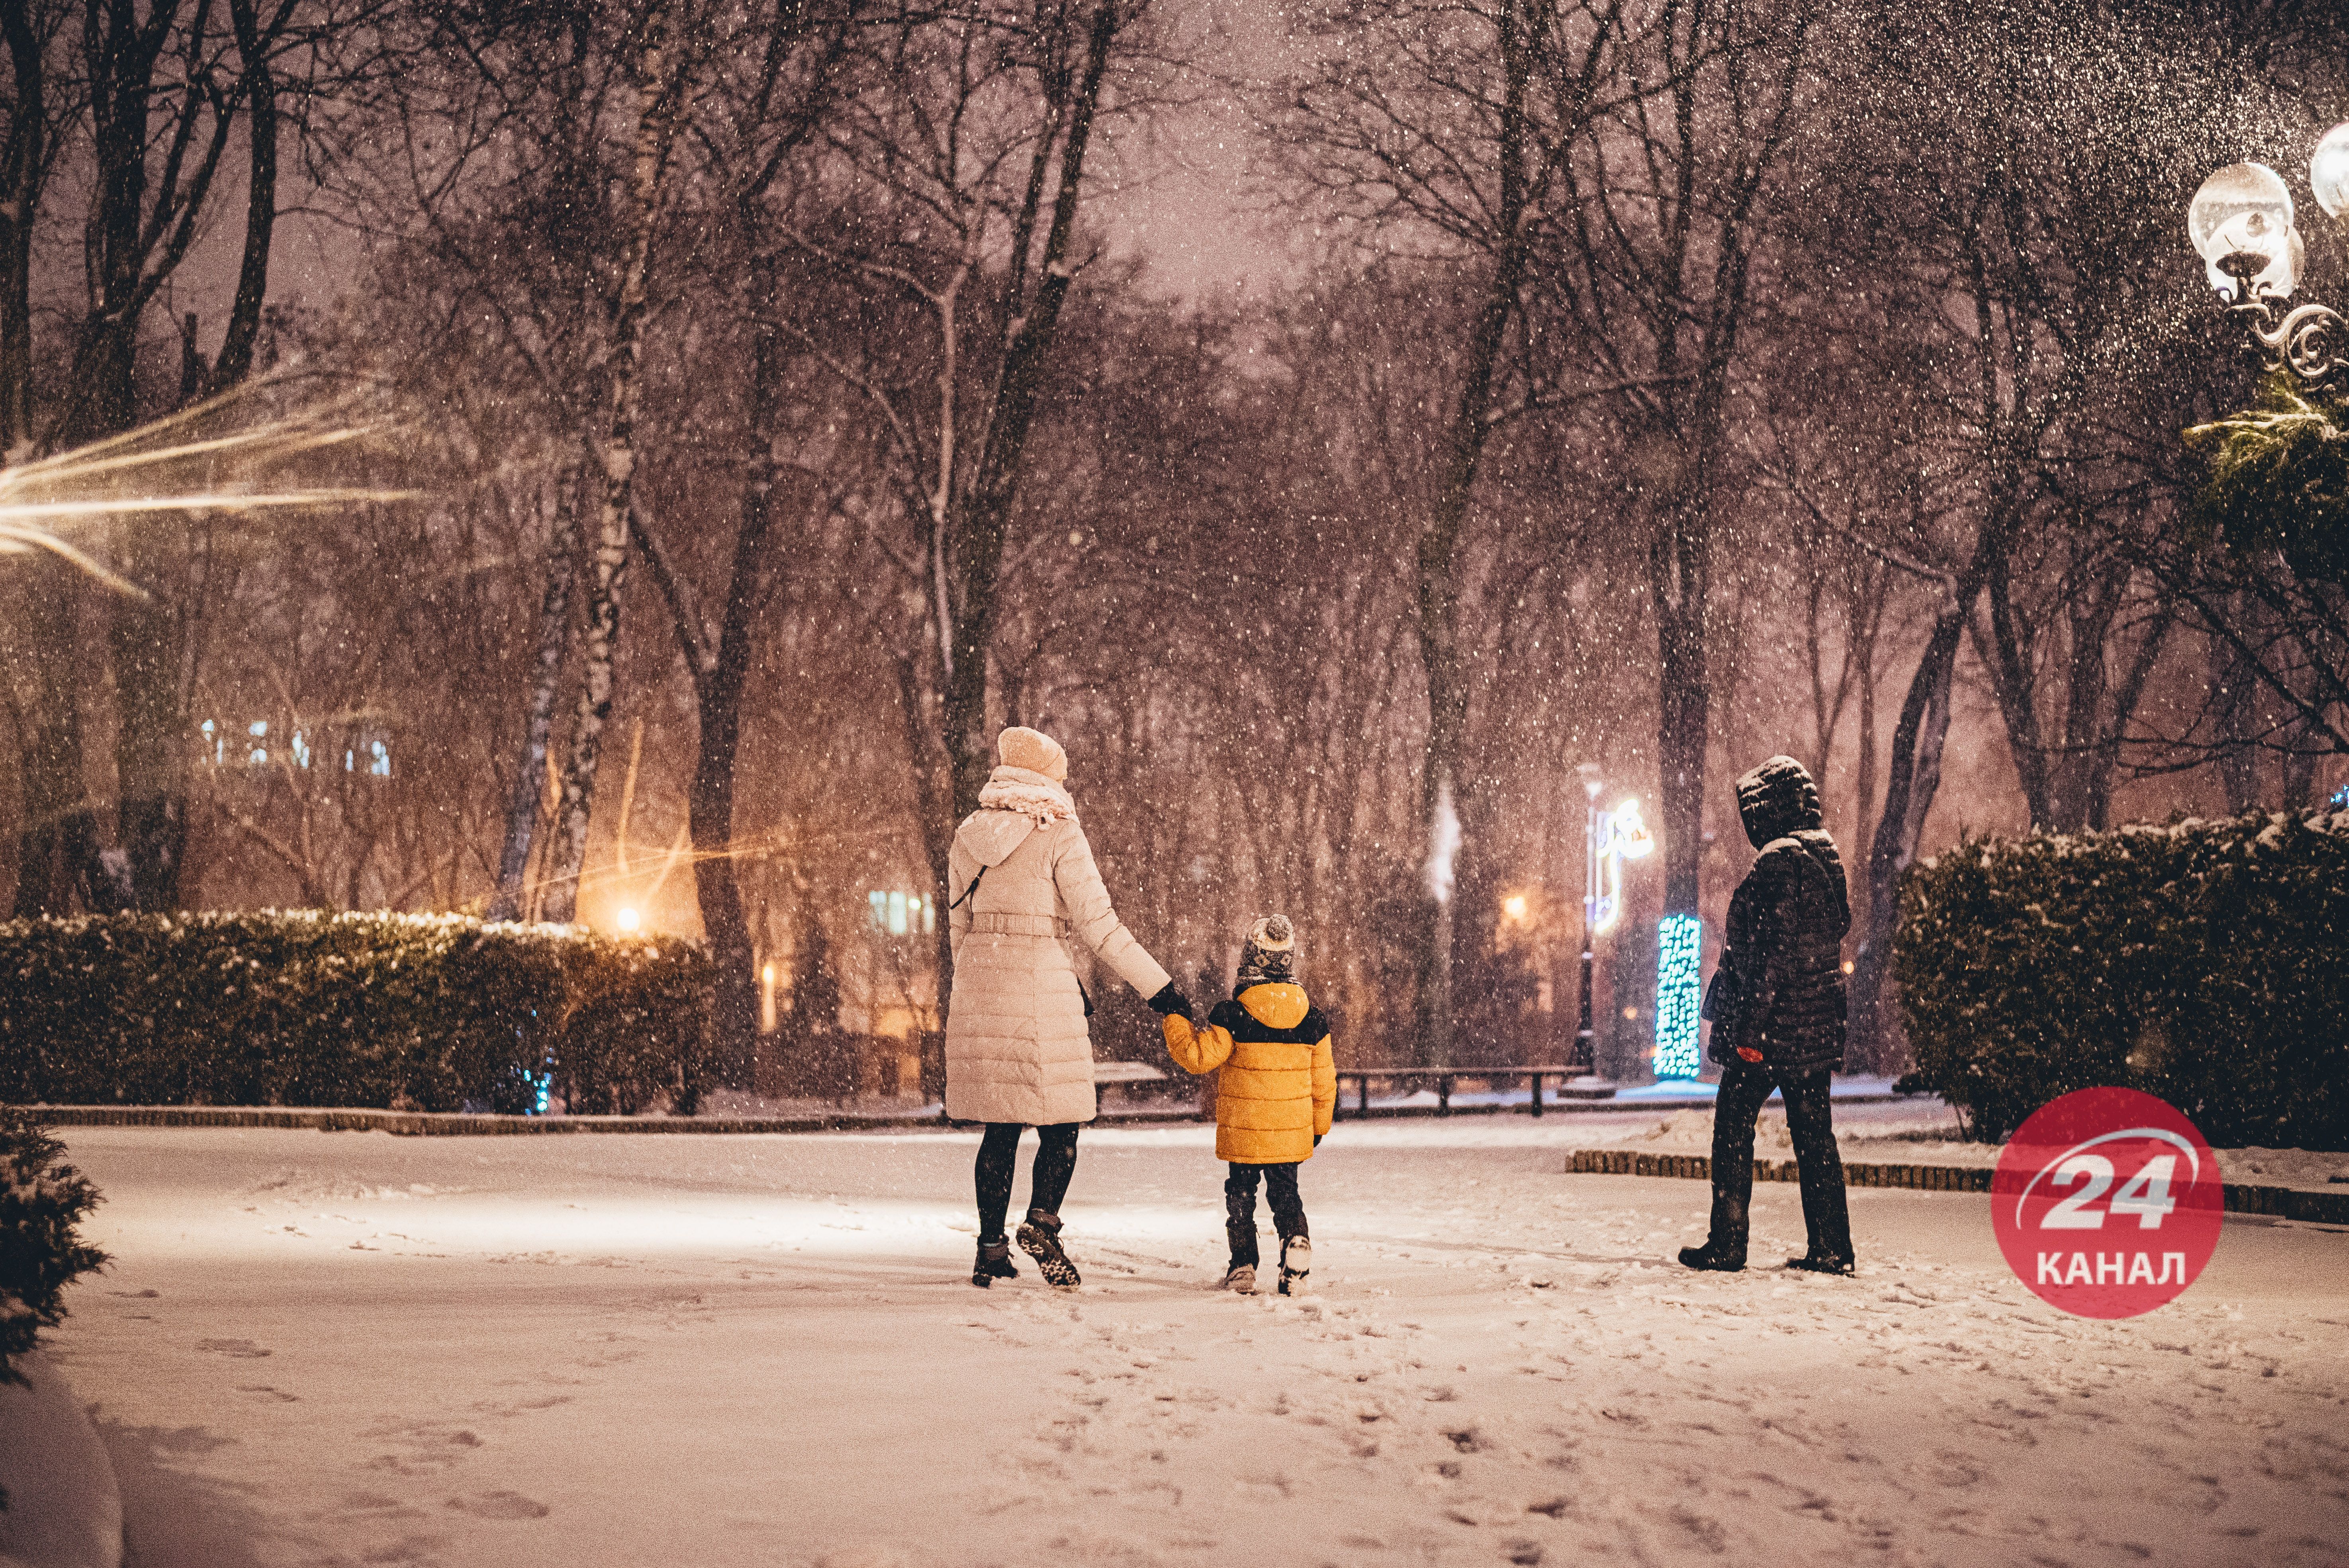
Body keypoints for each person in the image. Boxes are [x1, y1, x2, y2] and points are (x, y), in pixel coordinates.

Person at [944, 725, 1189, 1290]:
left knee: (1000, 1127)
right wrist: (1161, 990)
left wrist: (977, 985)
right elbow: (1100, 927)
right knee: (1063, 1122)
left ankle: (990, 1249)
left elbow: (959, 925)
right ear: (1049, 777)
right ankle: (1042, 1222)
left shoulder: (968, 834)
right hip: (1043, 987)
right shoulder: (1058, 831)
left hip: (981, 984)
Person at [1679, 754, 1858, 1276]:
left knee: (1732, 1126)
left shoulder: (1779, 863)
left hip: (1774, 1029)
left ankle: (1727, 1242)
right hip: (1813, 1028)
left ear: (1772, 809)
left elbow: (1771, 955)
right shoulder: (1823, 862)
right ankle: (1832, 1246)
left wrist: (1751, 1029)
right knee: (1815, 1138)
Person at [1161, 915, 1336, 1296]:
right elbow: (1325, 1082)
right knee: (1286, 1194)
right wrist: (1319, 1126)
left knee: (1241, 1195)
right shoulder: (1313, 1019)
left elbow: (1197, 1057)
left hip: (1244, 1129)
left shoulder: (1233, 1015)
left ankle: (1242, 1265)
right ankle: (1296, 1240)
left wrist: (1175, 1015)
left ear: (1250, 958)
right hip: (1289, 1132)